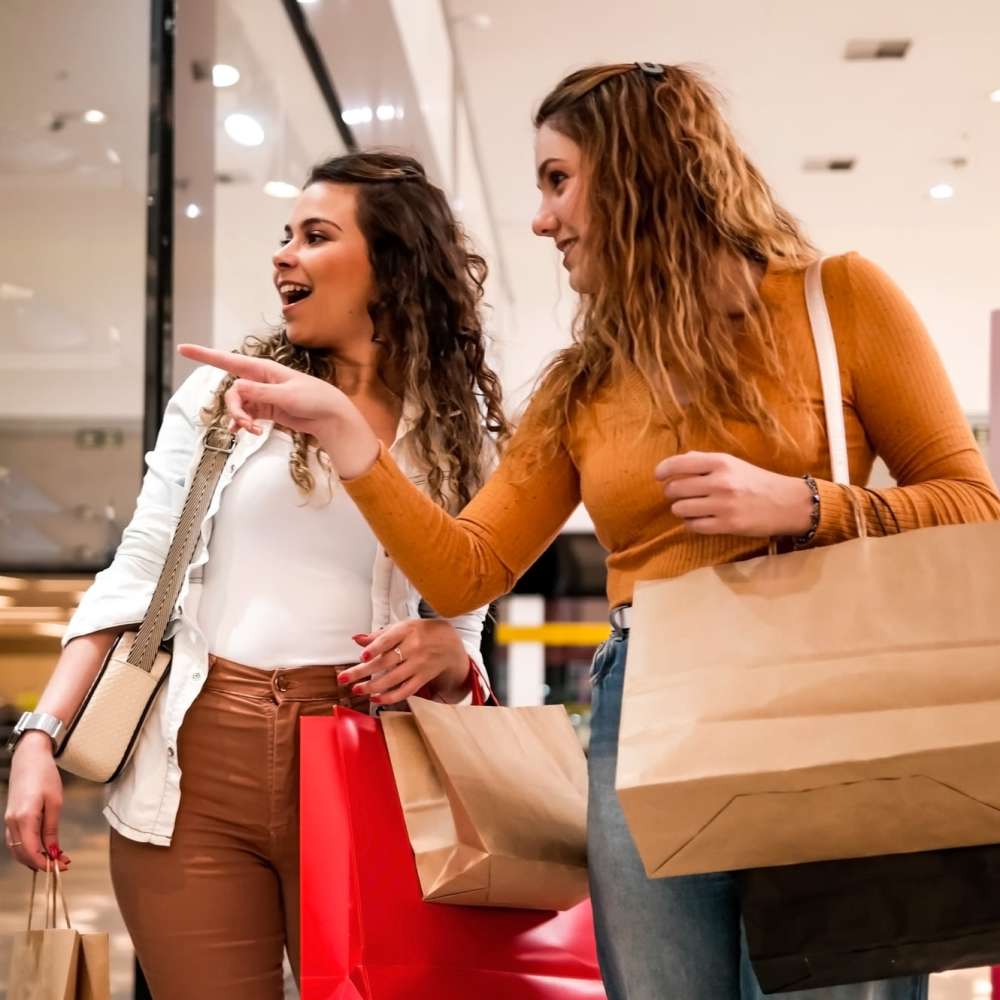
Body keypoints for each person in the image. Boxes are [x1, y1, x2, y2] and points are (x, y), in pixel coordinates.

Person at [178, 64, 1000, 999]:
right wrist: (343, 430)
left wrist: (809, 505)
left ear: (639, 171)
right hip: (649, 703)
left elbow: (975, 506)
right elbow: (465, 572)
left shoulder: (835, 299)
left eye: (558, 179)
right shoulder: (583, 381)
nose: (540, 217)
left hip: (827, 694)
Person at [4, 151, 508, 1000]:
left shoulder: (459, 434)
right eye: (285, 235)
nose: (283, 255)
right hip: (194, 762)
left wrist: (450, 653)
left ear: (391, 266)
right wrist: (37, 740)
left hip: (366, 762)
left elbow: (461, 620)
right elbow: (135, 578)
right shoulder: (222, 399)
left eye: (316, 236)